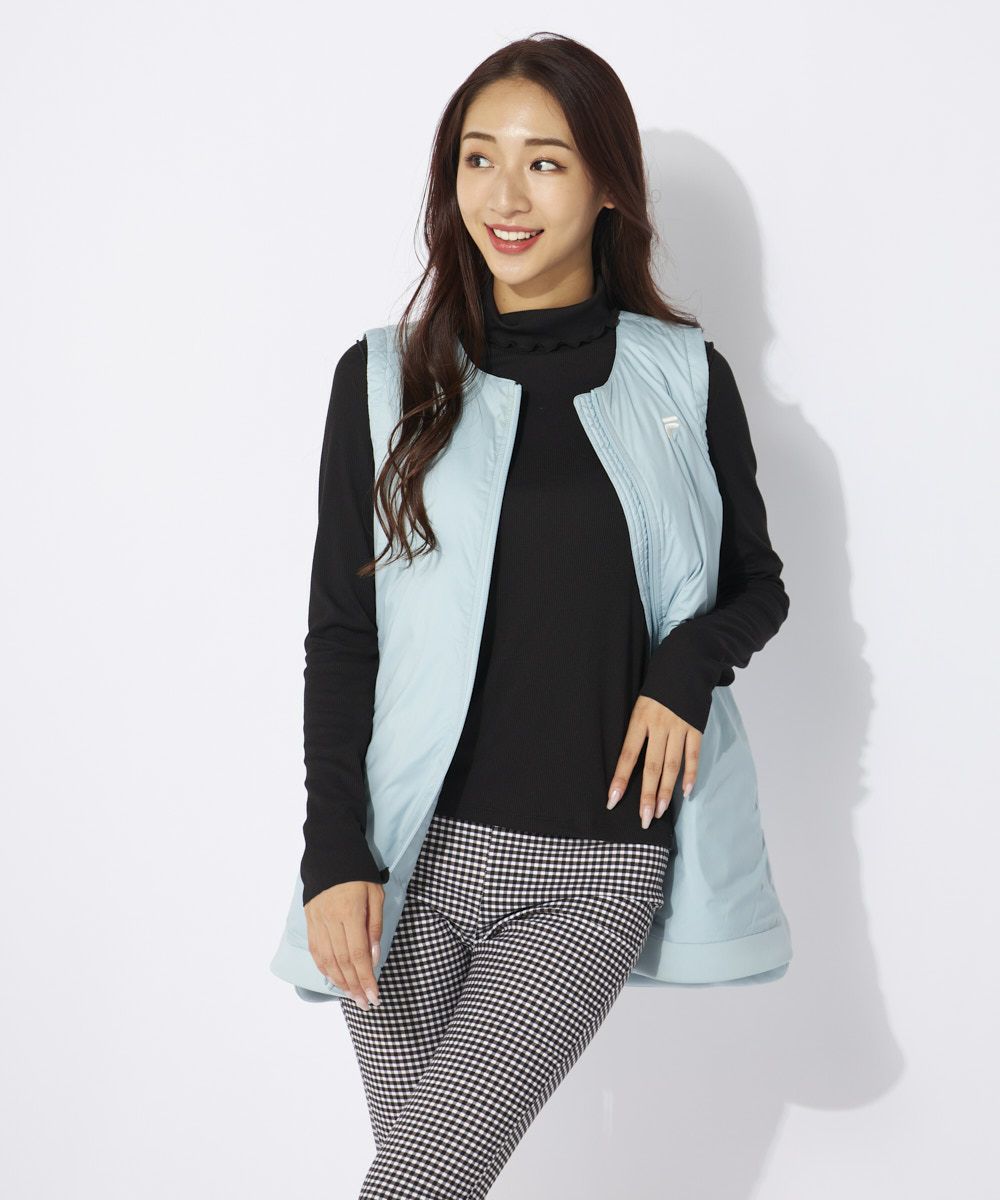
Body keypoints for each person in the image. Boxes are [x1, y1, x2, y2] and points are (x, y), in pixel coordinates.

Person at [295, 32, 790, 1199]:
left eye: (545, 163)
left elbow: (755, 582)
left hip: (589, 871)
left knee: (415, 1184)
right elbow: (343, 635)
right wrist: (332, 856)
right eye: (478, 159)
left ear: (608, 184)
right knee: (428, 1185)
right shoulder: (381, 380)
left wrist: (685, 665)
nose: (504, 197)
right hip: (406, 860)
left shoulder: (683, 378)